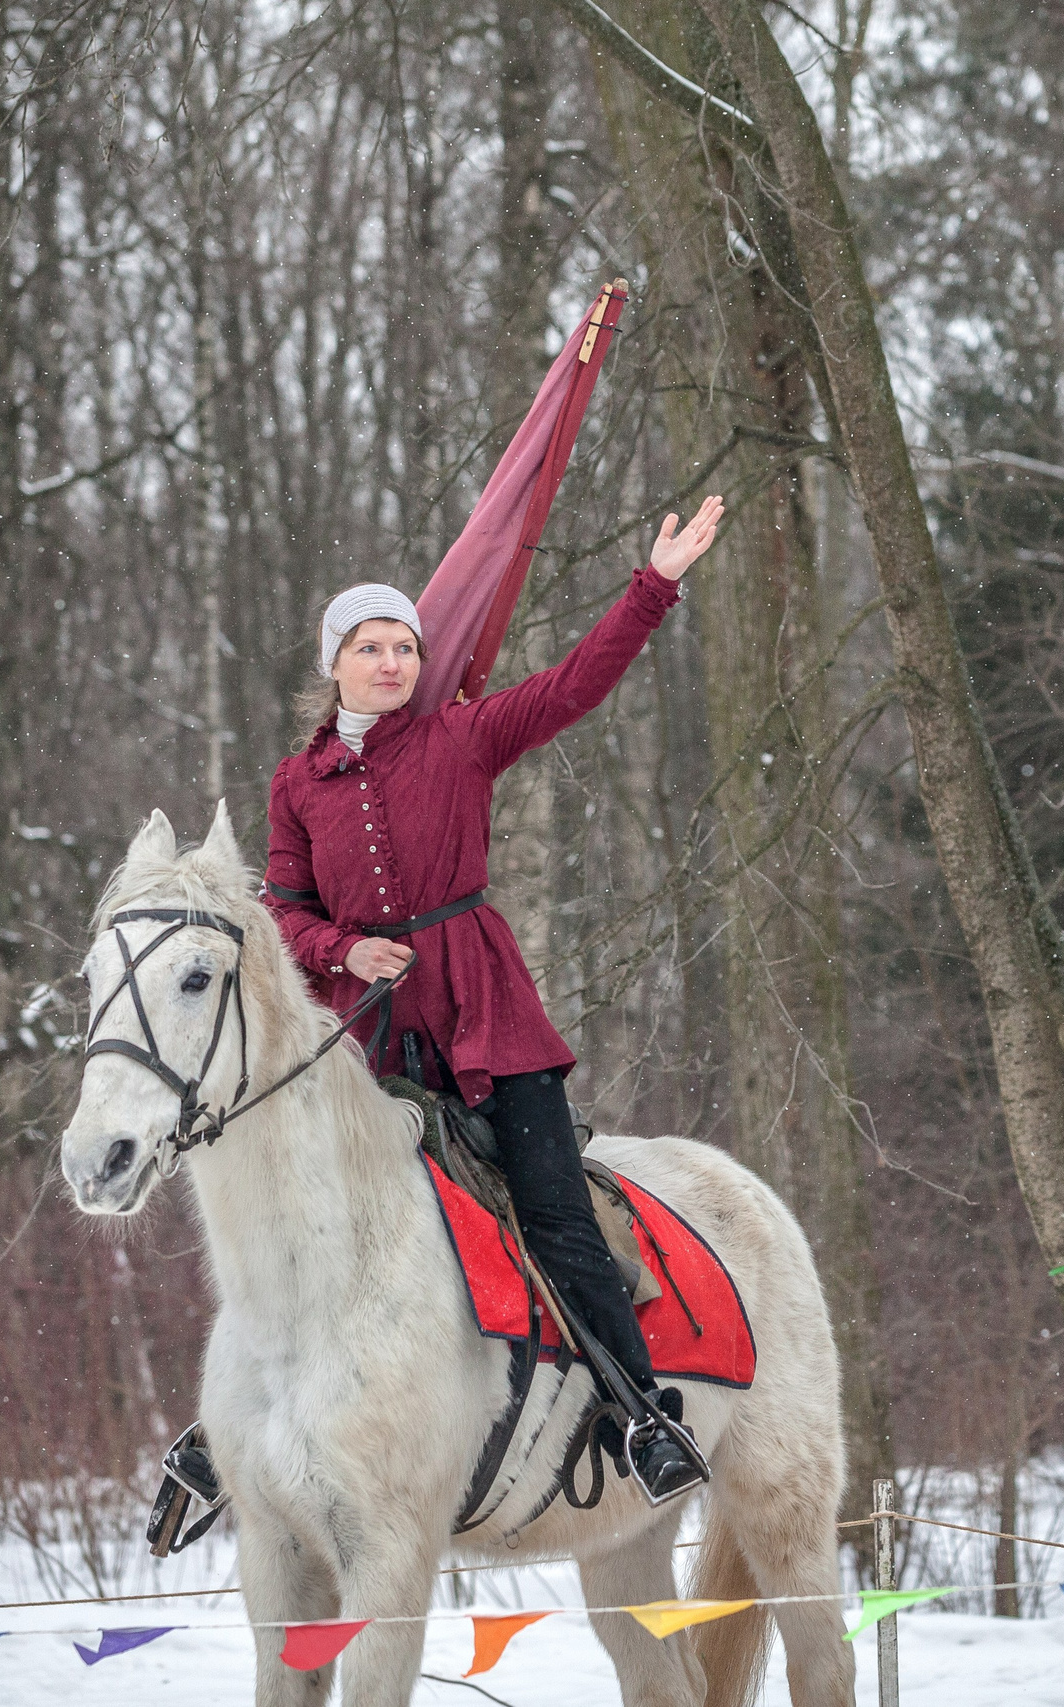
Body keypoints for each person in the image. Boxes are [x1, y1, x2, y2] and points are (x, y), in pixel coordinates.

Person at [263, 496, 727, 1505]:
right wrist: (344, 948)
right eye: (371, 647)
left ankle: (642, 1418)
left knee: (556, 1214)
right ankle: (250, 1428)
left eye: (405, 647)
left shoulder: (459, 737)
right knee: (315, 1223)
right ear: (333, 662)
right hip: (370, 1045)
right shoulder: (296, 784)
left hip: (490, 1020)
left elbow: (574, 685)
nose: (392, 662)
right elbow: (281, 911)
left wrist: (653, 586)